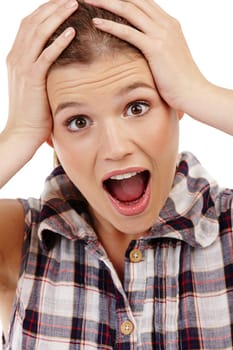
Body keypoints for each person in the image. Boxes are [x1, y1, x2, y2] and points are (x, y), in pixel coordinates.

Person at [0, 0, 232, 348]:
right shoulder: (18, 241)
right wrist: (18, 133)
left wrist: (200, 91)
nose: (115, 147)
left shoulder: (226, 229)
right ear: (49, 135)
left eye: (137, 107)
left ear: (175, 102)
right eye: (78, 122)